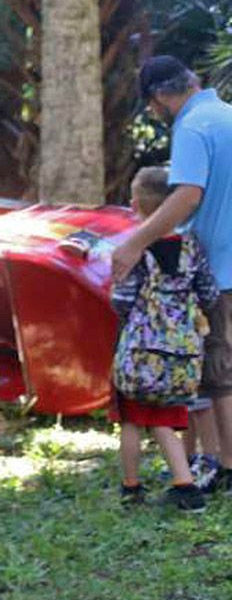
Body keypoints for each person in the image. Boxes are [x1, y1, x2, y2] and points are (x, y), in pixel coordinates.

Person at [113, 56, 232, 494]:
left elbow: (185, 197)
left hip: (220, 265)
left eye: (151, 107)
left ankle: (225, 466)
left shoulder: (192, 127)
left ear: (161, 96)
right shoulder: (227, 116)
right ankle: (211, 458)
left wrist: (134, 242)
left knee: (219, 374)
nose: (155, 115)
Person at [111, 168, 217, 512]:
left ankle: (136, 486)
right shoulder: (192, 248)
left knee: (130, 417)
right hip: (183, 350)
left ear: (134, 205)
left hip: (141, 349)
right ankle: (184, 483)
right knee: (166, 416)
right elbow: (209, 293)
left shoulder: (138, 249)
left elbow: (123, 299)